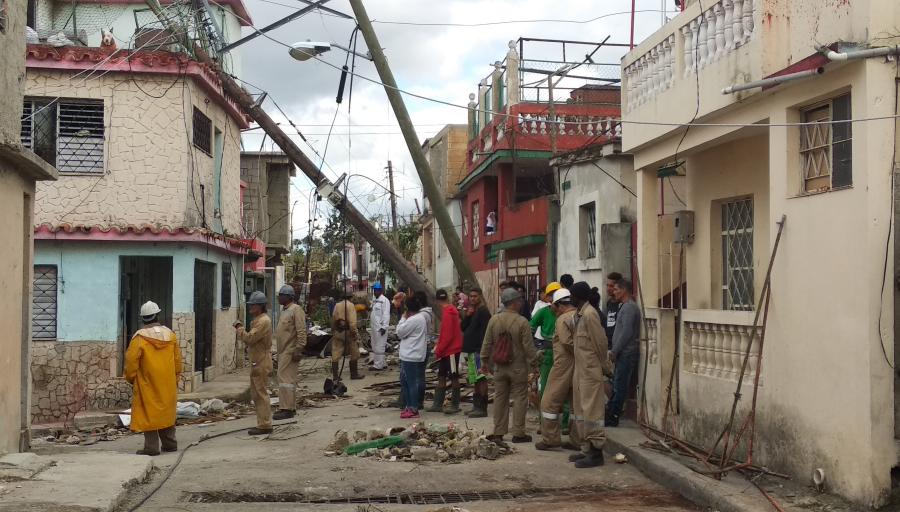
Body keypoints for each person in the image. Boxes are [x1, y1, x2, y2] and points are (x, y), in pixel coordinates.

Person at [480, 288, 539, 444]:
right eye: (519, 300)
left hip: (499, 366)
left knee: (500, 398)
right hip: (518, 366)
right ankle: (519, 433)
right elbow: (528, 347)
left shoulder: (494, 320)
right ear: (513, 303)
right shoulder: (522, 322)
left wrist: (484, 361)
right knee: (520, 398)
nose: (521, 303)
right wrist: (535, 363)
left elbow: (486, 343)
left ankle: (499, 431)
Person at [124, 301, 181, 456]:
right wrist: (175, 377)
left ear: (143, 318)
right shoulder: (170, 335)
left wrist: (131, 378)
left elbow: (131, 363)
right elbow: (177, 362)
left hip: (147, 383)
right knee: (166, 412)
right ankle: (170, 444)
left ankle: (151, 447)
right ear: (157, 315)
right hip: (167, 383)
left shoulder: (139, 338)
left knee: (148, 413)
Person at [569, 281, 611, 468]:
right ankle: (585, 448)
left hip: (591, 370)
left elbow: (600, 343)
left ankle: (596, 452)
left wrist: (605, 366)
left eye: (572, 295)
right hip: (580, 369)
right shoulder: (578, 315)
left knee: (592, 410)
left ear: (578, 296)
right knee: (580, 410)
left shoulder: (590, 314)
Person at [535, 289, 581, 451]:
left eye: (554, 306)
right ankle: (577, 439)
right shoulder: (580, 315)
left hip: (563, 365)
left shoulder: (562, 319)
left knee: (548, 402)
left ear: (560, 305)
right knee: (576, 405)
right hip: (578, 366)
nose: (553, 309)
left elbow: (567, 342)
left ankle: (550, 438)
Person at [235, 291, 274, 435]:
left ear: (260, 306)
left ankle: (265, 425)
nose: (250, 308)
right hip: (257, 361)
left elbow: (250, 338)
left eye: (253, 306)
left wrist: (240, 330)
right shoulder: (258, 320)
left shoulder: (264, 321)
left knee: (260, 393)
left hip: (261, 361)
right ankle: (262, 423)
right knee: (256, 393)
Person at [606, 278, 641, 427]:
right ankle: (611, 413)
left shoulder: (629, 308)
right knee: (617, 384)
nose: (614, 292)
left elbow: (626, 332)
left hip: (626, 352)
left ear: (624, 290)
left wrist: (615, 350)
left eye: (616, 289)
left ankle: (613, 416)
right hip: (623, 352)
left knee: (620, 386)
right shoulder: (624, 306)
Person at [273, 285, 307, 421]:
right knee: (285, 379)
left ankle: (287, 409)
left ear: (289, 297)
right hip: (283, 351)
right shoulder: (284, 311)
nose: (279, 297)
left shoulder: (296, 310)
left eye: (282, 295)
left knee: (286, 380)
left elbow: (301, 331)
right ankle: (288, 407)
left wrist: (299, 349)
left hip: (290, 350)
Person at [428, 289, 463, 414]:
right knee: (443, 376)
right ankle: (439, 404)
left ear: (437, 300)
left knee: (452, 377)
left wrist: (439, 350)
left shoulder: (448, 313)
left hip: (450, 350)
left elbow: (447, 335)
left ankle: (453, 404)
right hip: (450, 350)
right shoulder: (451, 311)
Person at [530, 283, 563, 409]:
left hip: (565, 353)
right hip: (548, 353)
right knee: (545, 387)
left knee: (564, 387)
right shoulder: (543, 312)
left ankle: (566, 425)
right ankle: (544, 422)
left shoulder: (568, 313)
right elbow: (529, 329)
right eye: (552, 296)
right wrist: (534, 349)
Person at [397, 295, 429, 419]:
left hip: (411, 354)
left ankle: (413, 408)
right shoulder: (420, 318)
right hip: (412, 353)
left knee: (410, 382)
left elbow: (400, 332)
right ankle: (409, 406)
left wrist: (403, 319)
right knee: (406, 381)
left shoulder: (413, 319)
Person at [462, 287, 492, 417]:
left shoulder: (484, 312)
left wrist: (484, 350)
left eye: (475, 296)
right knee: (475, 379)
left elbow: (486, 332)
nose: (472, 298)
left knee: (481, 379)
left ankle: (482, 408)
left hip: (478, 350)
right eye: (471, 296)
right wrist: (468, 316)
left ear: (480, 296)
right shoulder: (472, 311)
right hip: (470, 350)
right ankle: (476, 406)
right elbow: (462, 327)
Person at [331, 292, 365, 382]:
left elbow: (334, 318)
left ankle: (335, 376)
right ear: (350, 297)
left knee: (336, 353)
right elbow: (352, 322)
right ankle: (354, 374)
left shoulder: (337, 305)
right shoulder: (351, 305)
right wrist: (354, 333)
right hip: (348, 332)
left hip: (339, 331)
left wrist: (334, 330)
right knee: (355, 353)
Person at [369, 282, 391, 371]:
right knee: (374, 345)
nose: (375, 292)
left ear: (380, 291)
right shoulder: (375, 300)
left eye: (377, 290)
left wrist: (384, 327)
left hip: (380, 328)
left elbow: (386, 314)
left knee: (379, 346)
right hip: (374, 327)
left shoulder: (384, 300)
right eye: (374, 290)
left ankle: (378, 365)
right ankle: (383, 363)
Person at [602, 272, 623, 342]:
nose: (608, 288)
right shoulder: (609, 302)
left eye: (611, 286)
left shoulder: (623, 304)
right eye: (607, 285)